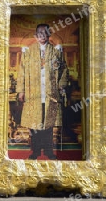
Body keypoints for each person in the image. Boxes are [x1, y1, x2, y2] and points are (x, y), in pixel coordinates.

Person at [17, 23, 68, 160]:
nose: (42, 36)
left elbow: (64, 71)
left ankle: (49, 152)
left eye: (45, 33)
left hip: (50, 94)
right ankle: (35, 152)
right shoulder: (28, 52)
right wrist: (21, 91)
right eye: (39, 34)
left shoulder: (56, 52)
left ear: (49, 35)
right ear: (35, 35)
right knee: (34, 126)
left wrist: (61, 86)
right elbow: (21, 72)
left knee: (48, 126)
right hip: (33, 94)